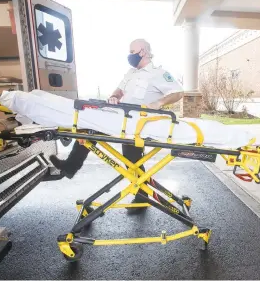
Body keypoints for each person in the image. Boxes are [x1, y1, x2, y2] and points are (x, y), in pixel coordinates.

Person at [50, 39, 184, 213]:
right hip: (122, 119)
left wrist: (159, 102)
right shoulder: (130, 73)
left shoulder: (158, 73)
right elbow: (119, 90)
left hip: (138, 123)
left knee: (132, 161)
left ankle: (141, 198)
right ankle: (70, 166)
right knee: (91, 130)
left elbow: (178, 92)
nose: (130, 55)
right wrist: (114, 96)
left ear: (143, 51)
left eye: (132, 51)